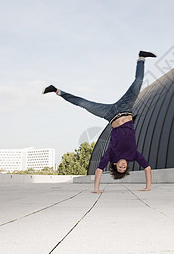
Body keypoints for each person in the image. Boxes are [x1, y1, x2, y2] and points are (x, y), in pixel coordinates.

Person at [43, 51, 156, 193]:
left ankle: (57, 91)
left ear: (114, 165)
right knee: (138, 83)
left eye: (120, 168)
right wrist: (148, 187)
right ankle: (141, 58)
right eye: (124, 167)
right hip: (126, 108)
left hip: (110, 114)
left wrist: (96, 189)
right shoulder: (133, 155)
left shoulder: (111, 155)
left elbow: (99, 169)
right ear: (127, 165)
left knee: (84, 104)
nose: (122, 166)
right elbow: (147, 168)